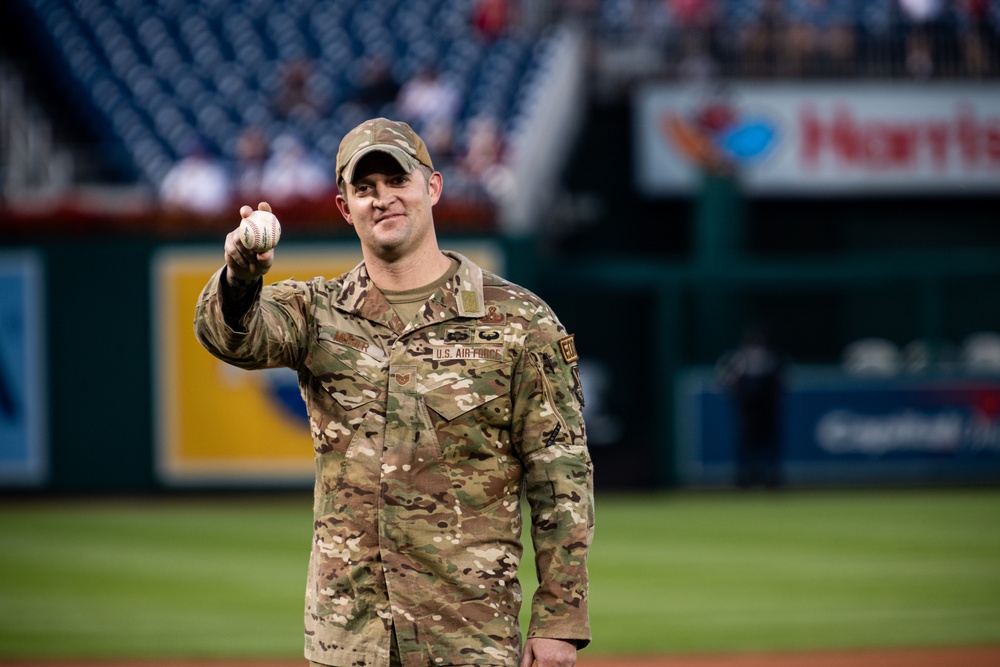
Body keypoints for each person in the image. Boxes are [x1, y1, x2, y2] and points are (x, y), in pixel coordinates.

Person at [193, 118, 594, 667]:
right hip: (349, 638)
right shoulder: (317, 312)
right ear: (344, 207)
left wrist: (559, 621)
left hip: (468, 635)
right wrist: (240, 275)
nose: (382, 199)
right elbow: (231, 336)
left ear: (432, 188)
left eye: (397, 181)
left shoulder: (519, 320)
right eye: (364, 188)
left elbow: (561, 475)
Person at [717, 323, 786, 489]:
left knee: (768, 444)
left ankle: (770, 477)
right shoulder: (740, 359)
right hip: (748, 409)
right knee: (747, 444)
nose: (758, 344)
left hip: (766, 410)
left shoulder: (771, 359)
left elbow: (782, 383)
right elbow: (726, 380)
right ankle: (745, 477)